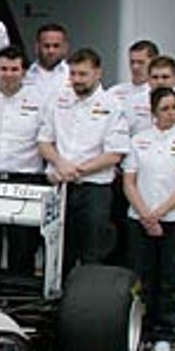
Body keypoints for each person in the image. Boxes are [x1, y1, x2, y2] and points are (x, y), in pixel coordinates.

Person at [122, 87, 175, 351]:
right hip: (140, 218)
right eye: (165, 108)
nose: (171, 114)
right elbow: (129, 182)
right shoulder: (139, 140)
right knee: (142, 274)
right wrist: (145, 214)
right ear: (153, 112)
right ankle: (141, 328)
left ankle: (165, 332)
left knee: (172, 275)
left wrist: (159, 213)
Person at [39, 47, 129, 267]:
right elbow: (44, 142)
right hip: (60, 188)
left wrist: (76, 171)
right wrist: (60, 164)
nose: (76, 79)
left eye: (83, 74)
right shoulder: (58, 100)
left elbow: (114, 154)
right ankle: (59, 299)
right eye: (73, 74)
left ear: (98, 73)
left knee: (93, 250)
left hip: (94, 190)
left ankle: (89, 299)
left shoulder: (113, 106)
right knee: (59, 252)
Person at [0, 46, 48, 275]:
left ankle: (19, 294)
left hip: (26, 179)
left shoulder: (40, 103)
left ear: (24, 71)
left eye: (15, 69)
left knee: (23, 244)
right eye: (4, 68)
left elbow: (47, 141)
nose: (9, 74)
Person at [107, 40, 160, 120]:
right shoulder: (114, 92)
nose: (135, 67)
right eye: (132, 62)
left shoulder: (161, 94)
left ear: (154, 63)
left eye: (141, 62)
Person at [25, 23, 70, 92]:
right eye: (46, 46)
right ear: (37, 47)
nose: (51, 51)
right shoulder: (23, 75)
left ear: (65, 47)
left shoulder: (73, 75)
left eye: (56, 46)